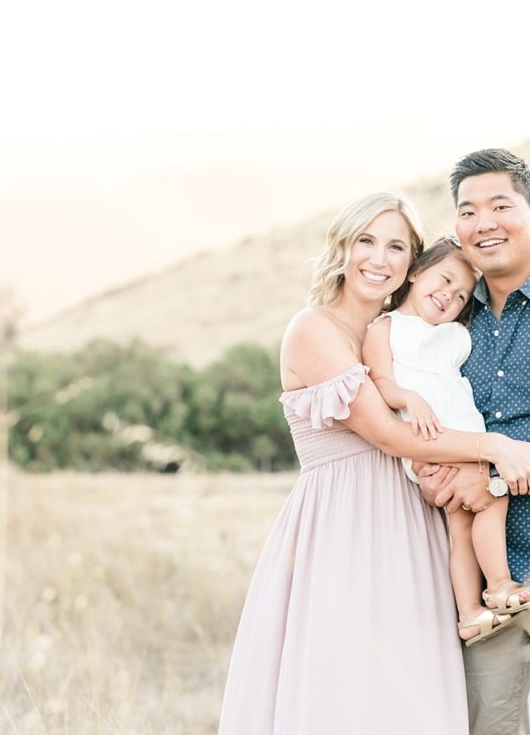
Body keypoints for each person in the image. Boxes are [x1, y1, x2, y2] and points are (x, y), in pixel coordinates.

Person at [217, 192, 530, 735]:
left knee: (413, 692)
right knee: (348, 687)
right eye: (366, 241)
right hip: (344, 530)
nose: (379, 259)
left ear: (413, 265)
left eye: (396, 247)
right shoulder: (315, 328)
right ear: (343, 245)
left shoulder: (405, 334)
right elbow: (388, 434)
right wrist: (493, 450)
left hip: (411, 525)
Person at [363, 237, 530, 648]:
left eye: (460, 295)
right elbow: (380, 380)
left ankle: (472, 614)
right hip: (433, 438)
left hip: (466, 437)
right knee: (491, 501)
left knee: (465, 525)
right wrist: (408, 398)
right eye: (444, 280)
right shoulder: (386, 328)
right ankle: (499, 585)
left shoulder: (453, 334)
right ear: (416, 272)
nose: (448, 296)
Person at [417, 149, 530, 735]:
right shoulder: (449, 321)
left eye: (501, 205)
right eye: (468, 210)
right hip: (492, 594)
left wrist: (499, 461)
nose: (483, 222)